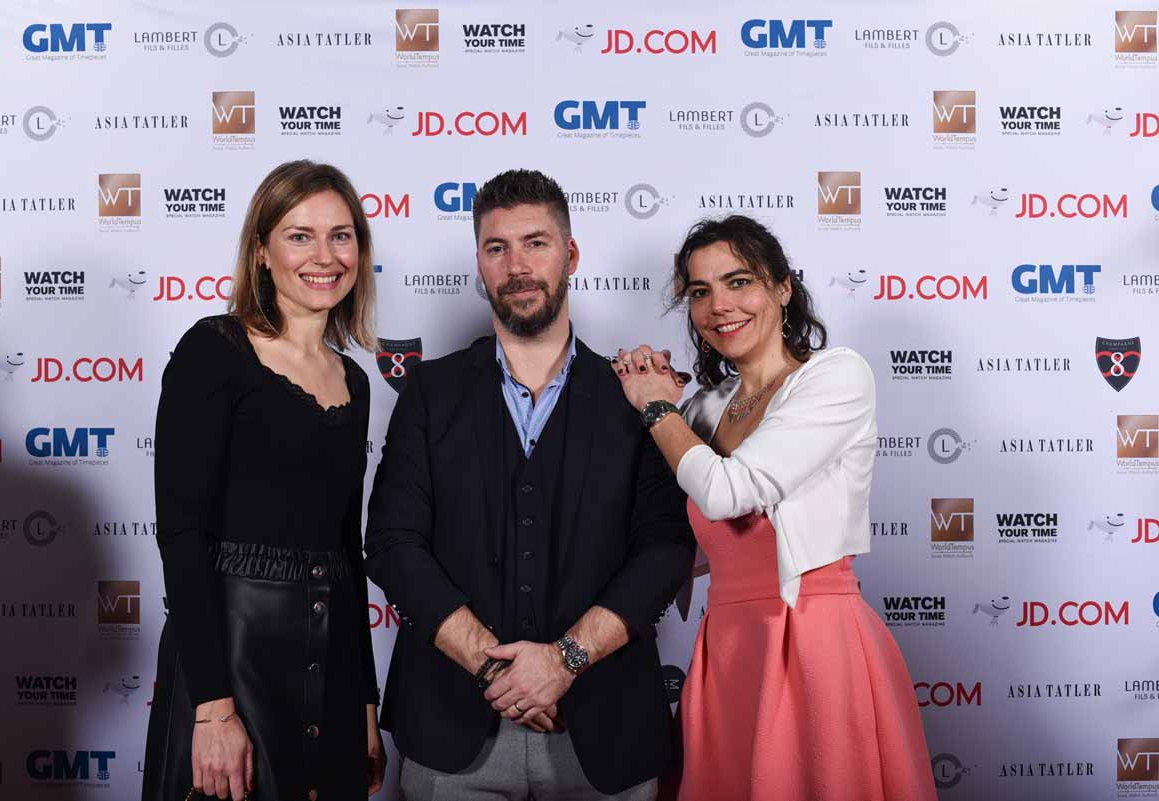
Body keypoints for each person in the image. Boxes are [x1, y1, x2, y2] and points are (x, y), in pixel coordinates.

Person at [364, 169, 695, 801]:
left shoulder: (638, 396)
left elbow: (665, 549)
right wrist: (497, 670)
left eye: (536, 244)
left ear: (570, 255)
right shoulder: (431, 393)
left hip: (605, 730)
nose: (517, 266)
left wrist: (563, 661)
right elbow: (392, 543)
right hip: (452, 731)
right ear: (480, 263)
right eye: (498, 248)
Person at [614, 216, 937, 801]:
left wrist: (657, 409)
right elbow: (683, 542)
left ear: (783, 287)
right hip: (727, 647)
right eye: (700, 292)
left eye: (739, 282)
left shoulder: (835, 376)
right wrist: (654, 402)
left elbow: (728, 492)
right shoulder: (705, 407)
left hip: (812, 639)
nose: (719, 306)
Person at [143, 160, 386, 801]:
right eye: (300, 236)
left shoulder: (354, 381)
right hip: (233, 659)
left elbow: (347, 551)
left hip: (332, 664)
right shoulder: (213, 350)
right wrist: (212, 710)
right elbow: (183, 535)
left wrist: (365, 703)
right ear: (261, 250)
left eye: (340, 235)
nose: (325, 256)